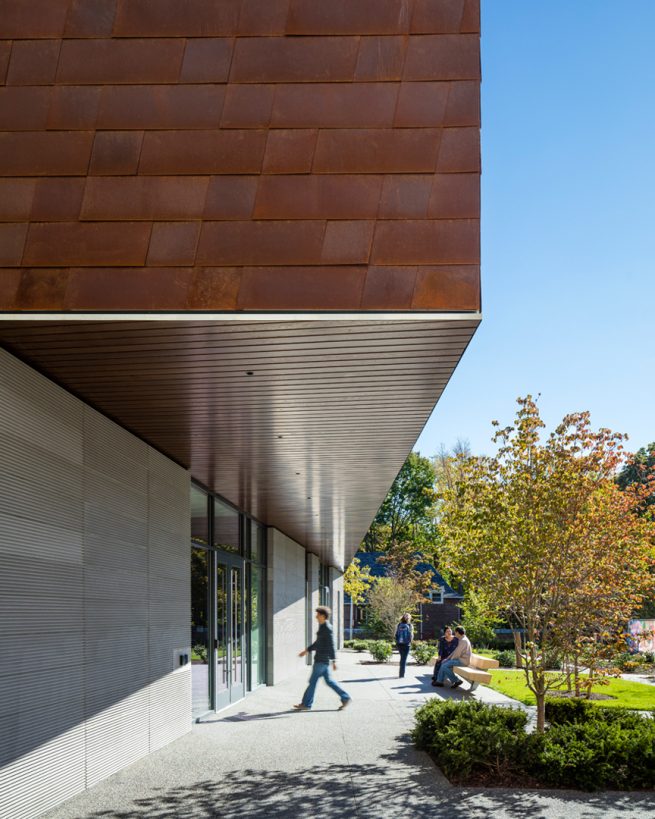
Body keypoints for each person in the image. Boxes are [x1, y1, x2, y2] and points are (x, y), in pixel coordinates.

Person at [294, 606, 351, 711]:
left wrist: (334, 661)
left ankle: (306, 704)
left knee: (312, 682)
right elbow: (318, 643)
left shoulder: (327, 628)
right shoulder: (323, 627)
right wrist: (307, 650)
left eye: (318, 615)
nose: (316, 617)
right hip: (323, 660)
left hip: (321, 660)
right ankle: (345, 697)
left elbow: (331, 645)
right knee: (329, 681)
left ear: (323, 616)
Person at [394, 613, 414, 678]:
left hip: (399, 644)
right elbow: (411, 635)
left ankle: (401, 673)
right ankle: (401, 674)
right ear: (409, 618)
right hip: (406, 644)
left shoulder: (399, 624)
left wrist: (397, 642)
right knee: (403, 659)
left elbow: (396, 634)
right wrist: (410, 642)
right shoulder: (410, 625)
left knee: (402, 658)